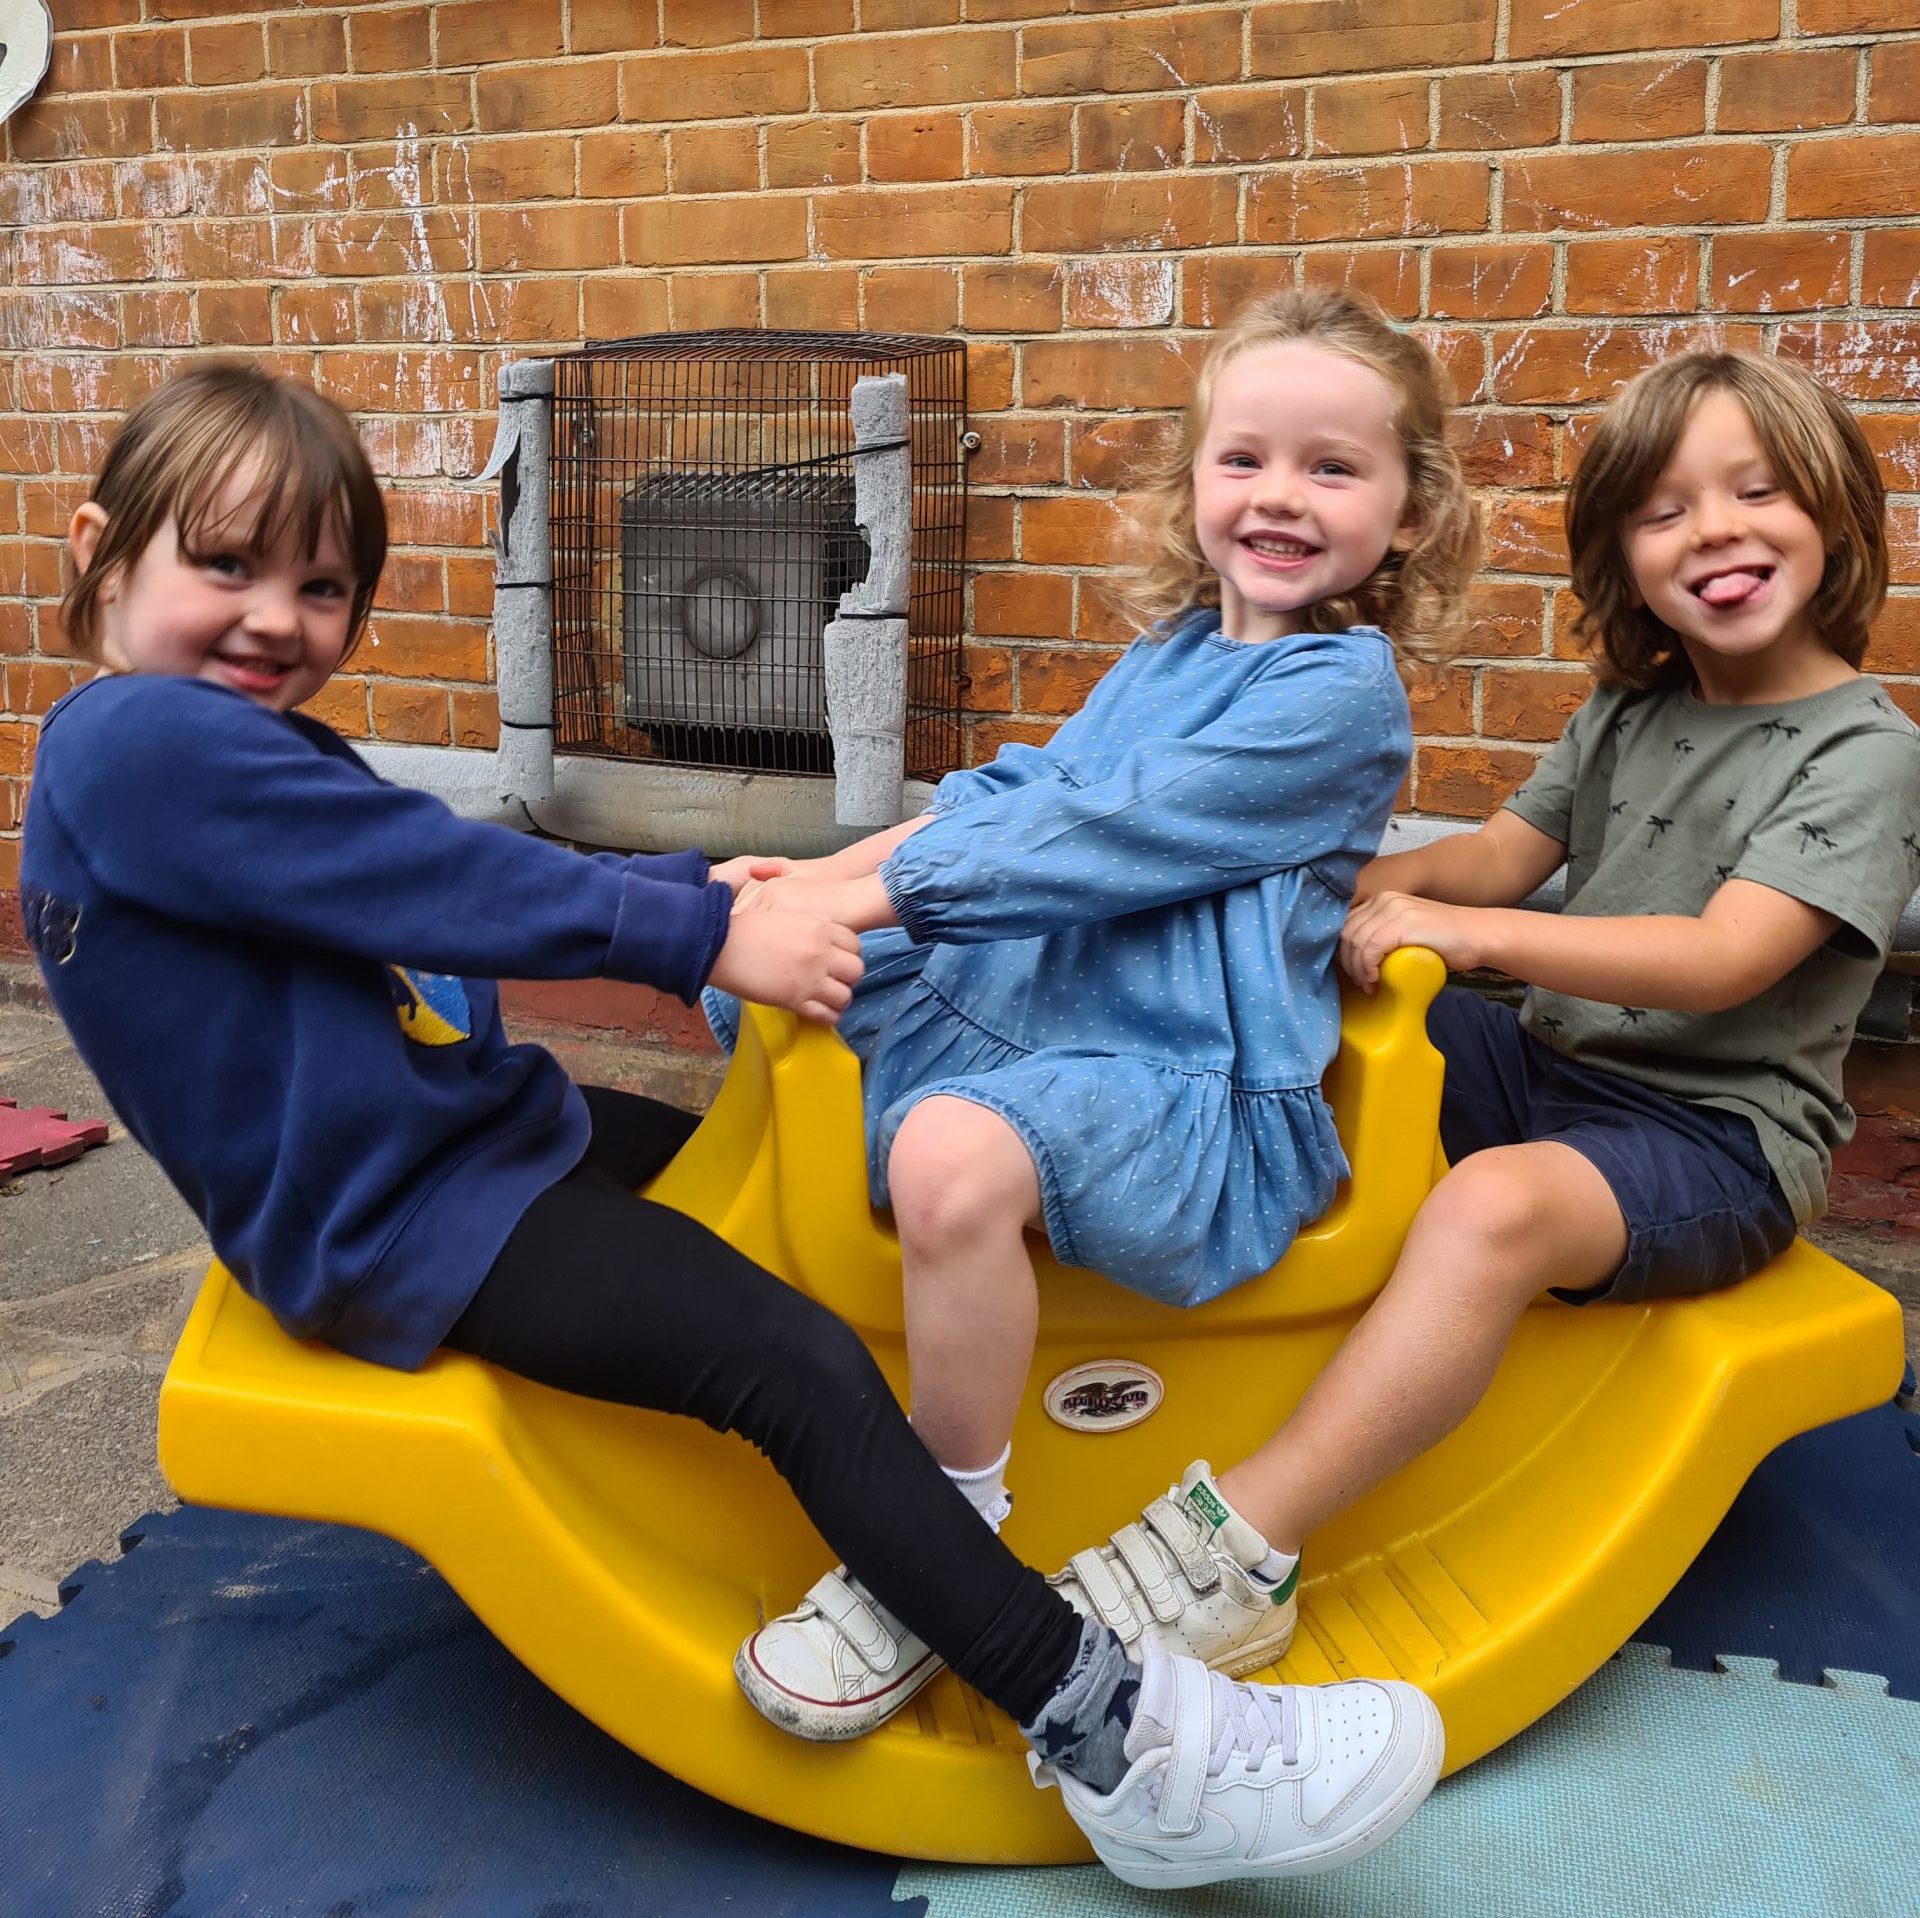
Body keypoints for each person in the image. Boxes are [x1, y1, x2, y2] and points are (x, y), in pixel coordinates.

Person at [18, 360, 1444, 1891]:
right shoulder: (137, 746)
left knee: (753, 1173)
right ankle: (1122, 1739)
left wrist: (714, 903)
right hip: (399, 1217)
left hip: (456, 1141)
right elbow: (428, 877)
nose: (276, 619)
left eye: (321, 586)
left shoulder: (185, 740)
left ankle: (907, 1549)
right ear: (102, 547)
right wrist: (691, 934)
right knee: (797, 1365)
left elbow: (396, 896)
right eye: (222, 565)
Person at [1041, 348, 1920, 1677]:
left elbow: (1724, 956)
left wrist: (1463, 935)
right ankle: (1153, 1265)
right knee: (1311, 1020)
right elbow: (1496, 854)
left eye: (1760, 491)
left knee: (1491, 1205)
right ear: (1624, 552)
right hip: (1550, 1060)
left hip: (1710, 1136)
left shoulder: (1869, 752)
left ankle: (1244, 1547)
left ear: (1837, 518)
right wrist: (1316, 894)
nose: (1718, 531)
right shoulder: (1635, 704)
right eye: (1667, 508)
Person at [714, 288, 1480, 1737]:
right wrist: (801, 880)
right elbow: (1019, 797)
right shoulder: (1175, 652)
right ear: (1193, 479)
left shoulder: (1339, 696)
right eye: (1244, 457)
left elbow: (1100, 837)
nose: (1279, 497)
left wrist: (852, 907)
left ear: (1412, 508)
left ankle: (933, 1549)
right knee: (755, 970)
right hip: (1052, 1009)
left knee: (947, 1150)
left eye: (1334, 467)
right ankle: (772, 1309)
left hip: (1185, 1080)